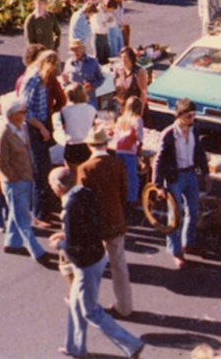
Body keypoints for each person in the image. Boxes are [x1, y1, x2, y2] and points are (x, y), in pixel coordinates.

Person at [47, 167, 144, 358]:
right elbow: (86, 228)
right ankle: (75, 347)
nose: (51, 189)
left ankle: (132, 344)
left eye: (52, 185)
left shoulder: (69, 207)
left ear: (59, 186)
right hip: (98, 256)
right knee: (75, 304)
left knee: (90, 312)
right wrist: (68, 235)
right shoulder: (86, 194)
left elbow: (75, 245)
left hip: (86, 266)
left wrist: (59, 243)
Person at [77, 127, 133, 318]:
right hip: (115, 219)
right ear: (106, 144)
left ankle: (89, 304)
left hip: (94, 224)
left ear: (89, 145)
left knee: (91, 267)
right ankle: (124, 307)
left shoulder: (85, 169)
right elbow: (124, 193)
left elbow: (82, 200)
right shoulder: (117, 164)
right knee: (119, 265)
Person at [152, 98, 212, 269]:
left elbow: (199, 152)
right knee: (175, 216)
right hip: (175, 178)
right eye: (188, 116)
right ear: (178, 116)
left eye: (193, 115)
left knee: (193, 211)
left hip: (190, 174)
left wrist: (206, 173)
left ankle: (189, 243)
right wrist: (158, 185)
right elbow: (159, 160)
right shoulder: (169, 134)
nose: (192, 119)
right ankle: (176, 251)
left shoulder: (194, 129)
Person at [0, 98, 50, 267]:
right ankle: (37, 252)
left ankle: (12, 243)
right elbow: (0, 161)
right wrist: (14, 178)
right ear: (12, 115)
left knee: (16, 213)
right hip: (15, 182)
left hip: (26, 177)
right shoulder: (3, 133)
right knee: (24, 219)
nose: (26, 115)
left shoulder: (23, 127)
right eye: (23, 112)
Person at [20, 49, 61, 224]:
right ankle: (37, 213)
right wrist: (42, 128)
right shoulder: (32, 79)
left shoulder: (41, 77)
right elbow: (25, 110)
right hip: (35, 128)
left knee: (46, 168)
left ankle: (45, 209)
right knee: (39, 170)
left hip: (43, 124)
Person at [60, 83, 98, 182]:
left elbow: (64, 128)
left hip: (71, 147)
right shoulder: (91, 109)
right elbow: (93, 128)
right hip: (87, 146)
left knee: (74, 179)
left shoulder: (64, 110)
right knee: (88, 178)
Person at [114, 96, 144, 206]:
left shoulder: (121, 119)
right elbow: (139, 135)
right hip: (130, 150)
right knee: (132, 176)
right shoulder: (137, 119)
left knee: (121, 175)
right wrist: (140, 144)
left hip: (119, 148)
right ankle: (132, 198)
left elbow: (117, 133)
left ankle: (121, 196)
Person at [63, 38, 105, 108]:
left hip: (90, 100)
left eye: (77, 49)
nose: (75, 52)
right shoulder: (68, 63)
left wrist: (92, 86)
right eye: (73, 50)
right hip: (74, 102)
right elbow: (66, 84)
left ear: (83, 49)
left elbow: (101, 79)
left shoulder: (92, 62)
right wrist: (65, 82)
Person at [113, 46, 148, 116]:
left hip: (135, 110)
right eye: (121, 58)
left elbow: (143, 93)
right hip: (122, 109)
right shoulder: (118, 71)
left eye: (125, 58)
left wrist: (140, 112)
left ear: (131, 59)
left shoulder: (139, 72)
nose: (123, 60)